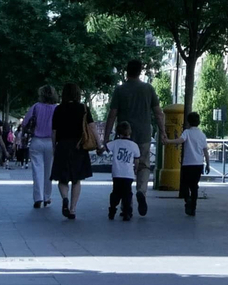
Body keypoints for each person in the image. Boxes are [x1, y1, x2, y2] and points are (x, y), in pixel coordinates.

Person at [104, 60, 165, 218]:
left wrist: (106, 137)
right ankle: (141, 192)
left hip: (124, 136)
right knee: (143, 166)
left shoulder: (120, 90)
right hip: (144, 134)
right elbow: (158, 113)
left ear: (126, 71)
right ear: (140, 71)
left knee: (124, 168)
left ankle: (126, 207)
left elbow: (112, 114)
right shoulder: (148, 89)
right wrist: (163, 131)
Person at [50, 83, 94, 220]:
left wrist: (54, 147)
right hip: (78, 146)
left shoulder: (58, 109)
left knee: (62, 178)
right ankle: (73, 209)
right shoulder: (83, 108)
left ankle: (64, 198)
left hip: (62, 145)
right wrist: (99, 144)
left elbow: (54, 131)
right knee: (77, 179)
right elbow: (91, 127)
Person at [22, 85, 59, 209]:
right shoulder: (57, 108)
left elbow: (25, 123)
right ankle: (47, 197)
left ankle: (38, 197)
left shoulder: (36, 107)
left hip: (36, 141)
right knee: (49, 171)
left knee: (37, 170)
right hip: (51, 142)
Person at [167, 110, 208, 216]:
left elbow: (180, 140)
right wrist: (208, 163)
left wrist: (168, 141)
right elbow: (205, 150)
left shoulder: (187, 132)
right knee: (194, 186)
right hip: (198, 164)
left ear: (188, 122)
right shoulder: (202, 135)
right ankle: (193, 207)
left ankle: (187, 199)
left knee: (184, 185)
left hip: (187, 164)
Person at [106, 121, 141, 221]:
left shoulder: (115, 143)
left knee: (116, 192)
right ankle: (127, 212)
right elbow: (137, 159)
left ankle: (112, 210)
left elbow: (105, 148)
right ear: (130, 132)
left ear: (118, 133)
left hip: (117, 173)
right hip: (128, 174)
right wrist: (135, 169)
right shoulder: (134, 145)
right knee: (127, 193)